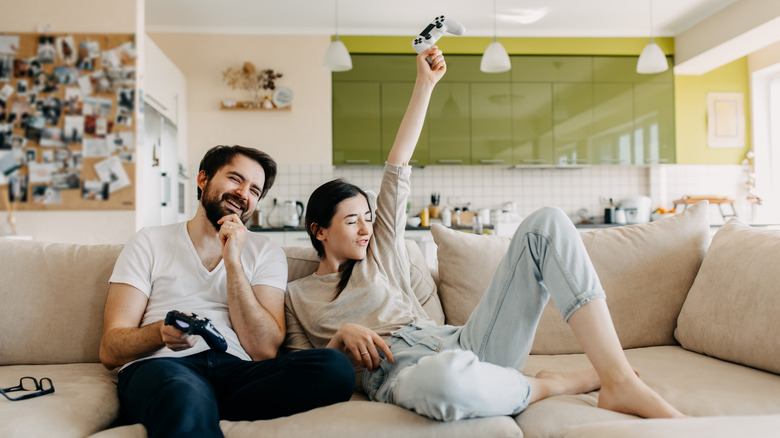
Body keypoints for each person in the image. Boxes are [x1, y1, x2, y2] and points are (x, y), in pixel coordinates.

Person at [284, 47, 685, 422]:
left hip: (463, 341)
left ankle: (619, 381)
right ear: (319, 230)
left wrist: (425, 84)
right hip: (402, 371)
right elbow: (306, 373)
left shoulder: (379, 251)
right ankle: (550, 384)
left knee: (546, 222)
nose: (366, 229)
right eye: (352, 220)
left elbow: (398, 164)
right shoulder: (298, 297)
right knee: (445, 383)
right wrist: (339, 339)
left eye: (368, 217)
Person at [100, 145, 355, 438]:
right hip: (164, 367)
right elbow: (109, 350)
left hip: (235, 373)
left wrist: (233, 261)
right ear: (203, 179)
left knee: (334, 367)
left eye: (255, 190)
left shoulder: (265, 252)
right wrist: (160, 332)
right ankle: (194, 404)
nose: (243, 193)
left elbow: (263, 349)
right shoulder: (149, 241)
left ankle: (201, 407)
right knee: (183, 392)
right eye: (236, 179)